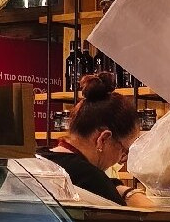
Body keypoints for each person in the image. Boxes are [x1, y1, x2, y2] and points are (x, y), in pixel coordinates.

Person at [40, 73, 153, 207]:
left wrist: (119, 188)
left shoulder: (38, 157)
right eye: (124, 151)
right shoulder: (91, 178)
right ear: (103, 139)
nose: (121, 160)